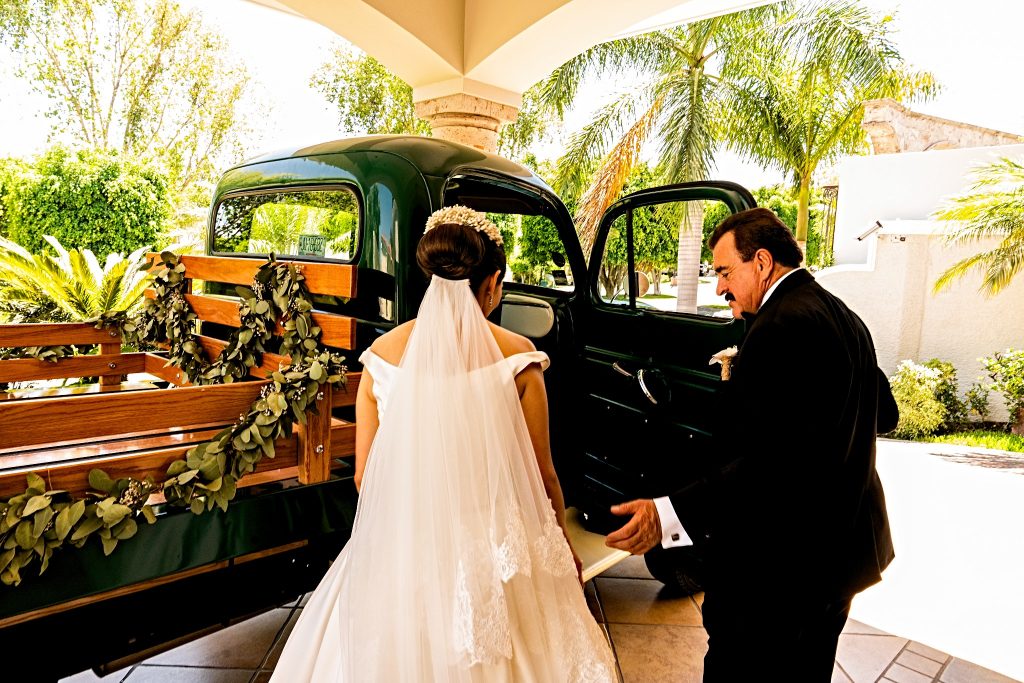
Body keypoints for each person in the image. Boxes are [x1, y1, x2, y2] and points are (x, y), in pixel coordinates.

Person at [272, 205, 616, 682]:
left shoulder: (380, 359)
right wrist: (560, 547)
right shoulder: (519, 359)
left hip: (404, 546)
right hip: (495, 555)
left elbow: (363, 477)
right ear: (492, 282)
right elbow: (543, 476)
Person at [605, 207, 899, 681]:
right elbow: (882, 412)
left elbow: (772, 463)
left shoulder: (782, 325)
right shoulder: (845, 318)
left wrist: (668, 513)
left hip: (778, 570)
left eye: (724, 271)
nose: (720, 286)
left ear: (762, 263)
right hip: (840, 557)